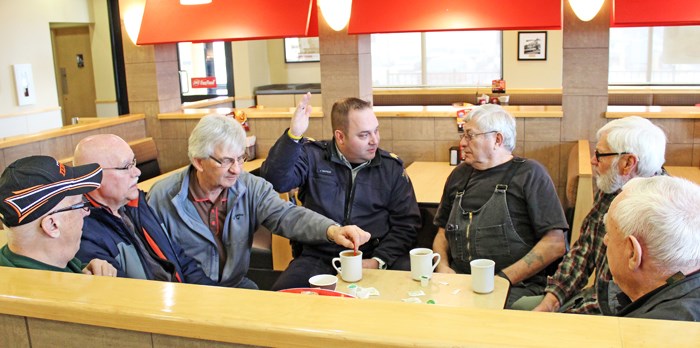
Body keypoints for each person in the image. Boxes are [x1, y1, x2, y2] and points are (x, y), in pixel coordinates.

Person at [147, 114, 371, 289]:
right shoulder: (162, 197)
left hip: (236, 287)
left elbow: (286, 215)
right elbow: (152, 262)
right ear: (198, 161)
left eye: (240, 158)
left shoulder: (250, 186)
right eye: (226, 161)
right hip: (187, 293)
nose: (236, 169)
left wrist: (332, 230)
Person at [260, 94, 421, 290]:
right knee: (284, 297)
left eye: (376, 131)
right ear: (340, 136)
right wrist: (293, 136)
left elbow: (406, 224)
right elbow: (276, 181)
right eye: (364, 135)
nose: (374, 140)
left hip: (372, 255)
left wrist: (379, 260)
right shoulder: (314, 156)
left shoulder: (390, 168)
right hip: (319, 255)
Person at [527, 116, 667, 314]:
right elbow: (584, 248)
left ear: (628, 163)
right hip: (592, 298)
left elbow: (621, 300)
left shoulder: (659, 215)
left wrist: (562, 315)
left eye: (599, 154)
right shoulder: (613, 185)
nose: (593, 161)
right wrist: (552, 300)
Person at [432, 104, 568, 308]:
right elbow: (443, 232)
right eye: (463, 135)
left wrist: (502, 279)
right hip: (460, 282)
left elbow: (555, 244)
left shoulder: (530, 174)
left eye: (470, 135)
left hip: (515, 286)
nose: (462, 142)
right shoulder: (458, 175)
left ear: (497, 139)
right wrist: (443, 266)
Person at [73, 134, 216, 285]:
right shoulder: (81, 231)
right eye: (125, 167)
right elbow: (127, 295)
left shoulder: (136, 203)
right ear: (92, 177)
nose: (137, 172)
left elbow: (181, 260)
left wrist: (211, 294)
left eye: (134, 163)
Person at [604, 176, 700, 321]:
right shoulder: (683, 280)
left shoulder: (644, 333)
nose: (605, 240)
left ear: (633, 253)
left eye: (609, 233)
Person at [0, 155, 115, 276]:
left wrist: (84, 270)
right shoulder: (49, 291)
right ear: (52, 225)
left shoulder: (19, 261)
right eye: (79, 205)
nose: (87, 212)